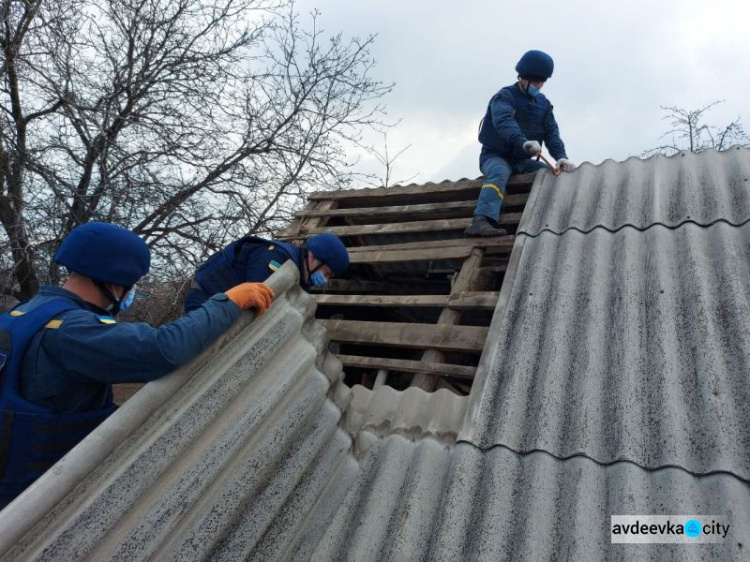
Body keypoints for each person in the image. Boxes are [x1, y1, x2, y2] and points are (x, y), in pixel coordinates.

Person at [0, 222, 274, 507]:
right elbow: (160, 350)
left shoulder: (21, 314)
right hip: (34, 496)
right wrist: (227, 303)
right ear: (114, 282)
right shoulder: (73, 329)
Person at [466, 50, 576, 237]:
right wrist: (523, 142)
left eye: (542, 82)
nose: (540, 86)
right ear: (523, 78)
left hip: (523, 162)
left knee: (546, 174)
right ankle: (481, 220)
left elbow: (551, 133)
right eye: (536, 81)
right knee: (499, 173)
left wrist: (561, 156)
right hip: (496, 156)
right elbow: (504, 122)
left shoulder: (543, 104)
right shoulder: (505, 97)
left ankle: (543, 221)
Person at [183, 232, 349, 313]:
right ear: (313, 258)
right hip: (205, 297)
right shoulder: (277, 256)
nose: (324, 280)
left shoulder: (300, 276)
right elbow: (255, 299)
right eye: (326, 273)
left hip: (222, 305)